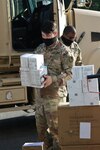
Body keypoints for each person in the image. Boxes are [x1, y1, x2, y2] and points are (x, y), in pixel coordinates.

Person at [33, 20, 74, 150]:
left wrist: (54, 79)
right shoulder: (39, 49)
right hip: (40, 98)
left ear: (55, 33)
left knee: (57, 132)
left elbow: (71, 73)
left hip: (55, 97)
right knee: (41, 132)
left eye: (48, 36)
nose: (46, 39)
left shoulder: (64, 51)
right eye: (43, 36)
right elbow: (33, 66)